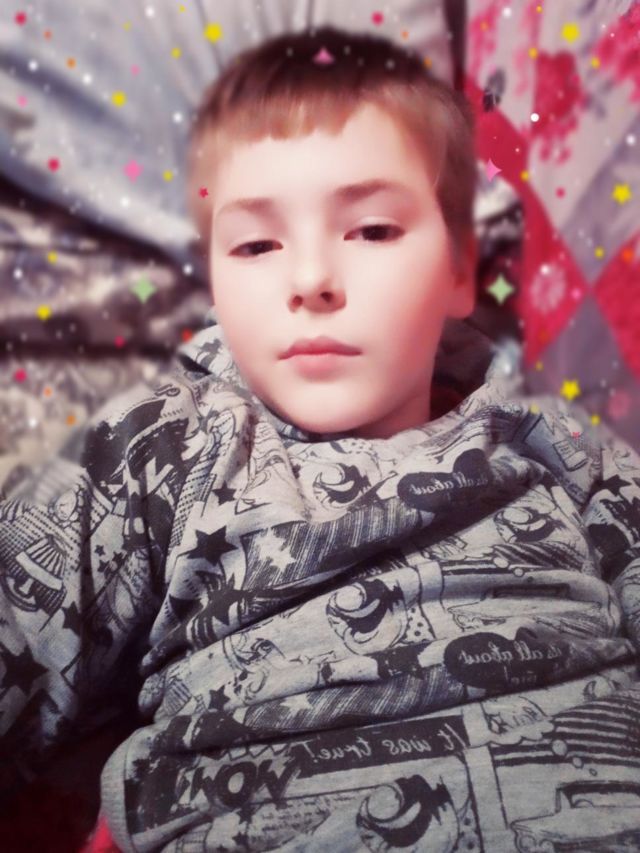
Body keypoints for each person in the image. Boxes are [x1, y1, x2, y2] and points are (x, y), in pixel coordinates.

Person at [2, 24, 640, 853]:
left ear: (459, 268)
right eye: (256, 244)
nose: (309, 280)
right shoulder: (166, 440)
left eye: (371, 230)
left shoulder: (562, 445)